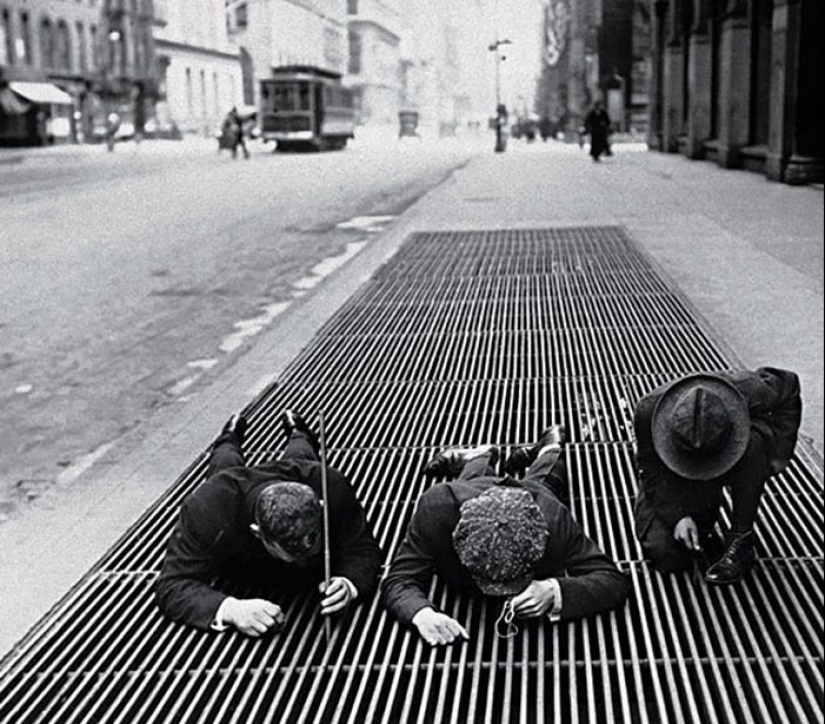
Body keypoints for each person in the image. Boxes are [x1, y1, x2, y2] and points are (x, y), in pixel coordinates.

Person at [381, 425, 631, 646]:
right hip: (467, 492)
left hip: (532, 492)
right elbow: (400, 578)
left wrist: (553, 590)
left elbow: (612, 580)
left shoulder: (552, 517)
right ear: (457, 537)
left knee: (546, 478)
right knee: (472, 480)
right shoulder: (438, 508)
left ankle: (550, 446)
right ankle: (482, 455)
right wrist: (421, 613)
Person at [154, 411, 383, 637]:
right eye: (294, 556)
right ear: (257, 533)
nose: (302, 563)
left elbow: (362, 548)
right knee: (224, 462)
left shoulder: (326, 483)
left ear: (321, 506)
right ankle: (230, 436)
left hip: (293, 472)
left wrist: (349, 582)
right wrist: (232, 609)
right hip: (232, 497)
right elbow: (172, 584)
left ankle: (298, 432)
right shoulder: (209, 508)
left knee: (301, 455)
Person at [633, 368, 801, 585]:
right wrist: (677, 516)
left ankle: (742, 538)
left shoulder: (751, 389)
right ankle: (703, 506)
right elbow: (651, 469)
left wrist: (778, 457)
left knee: (755, 443)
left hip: (730, 453)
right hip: (674, 477)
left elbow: (790, 385)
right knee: (667, 554)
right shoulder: (648, 412)